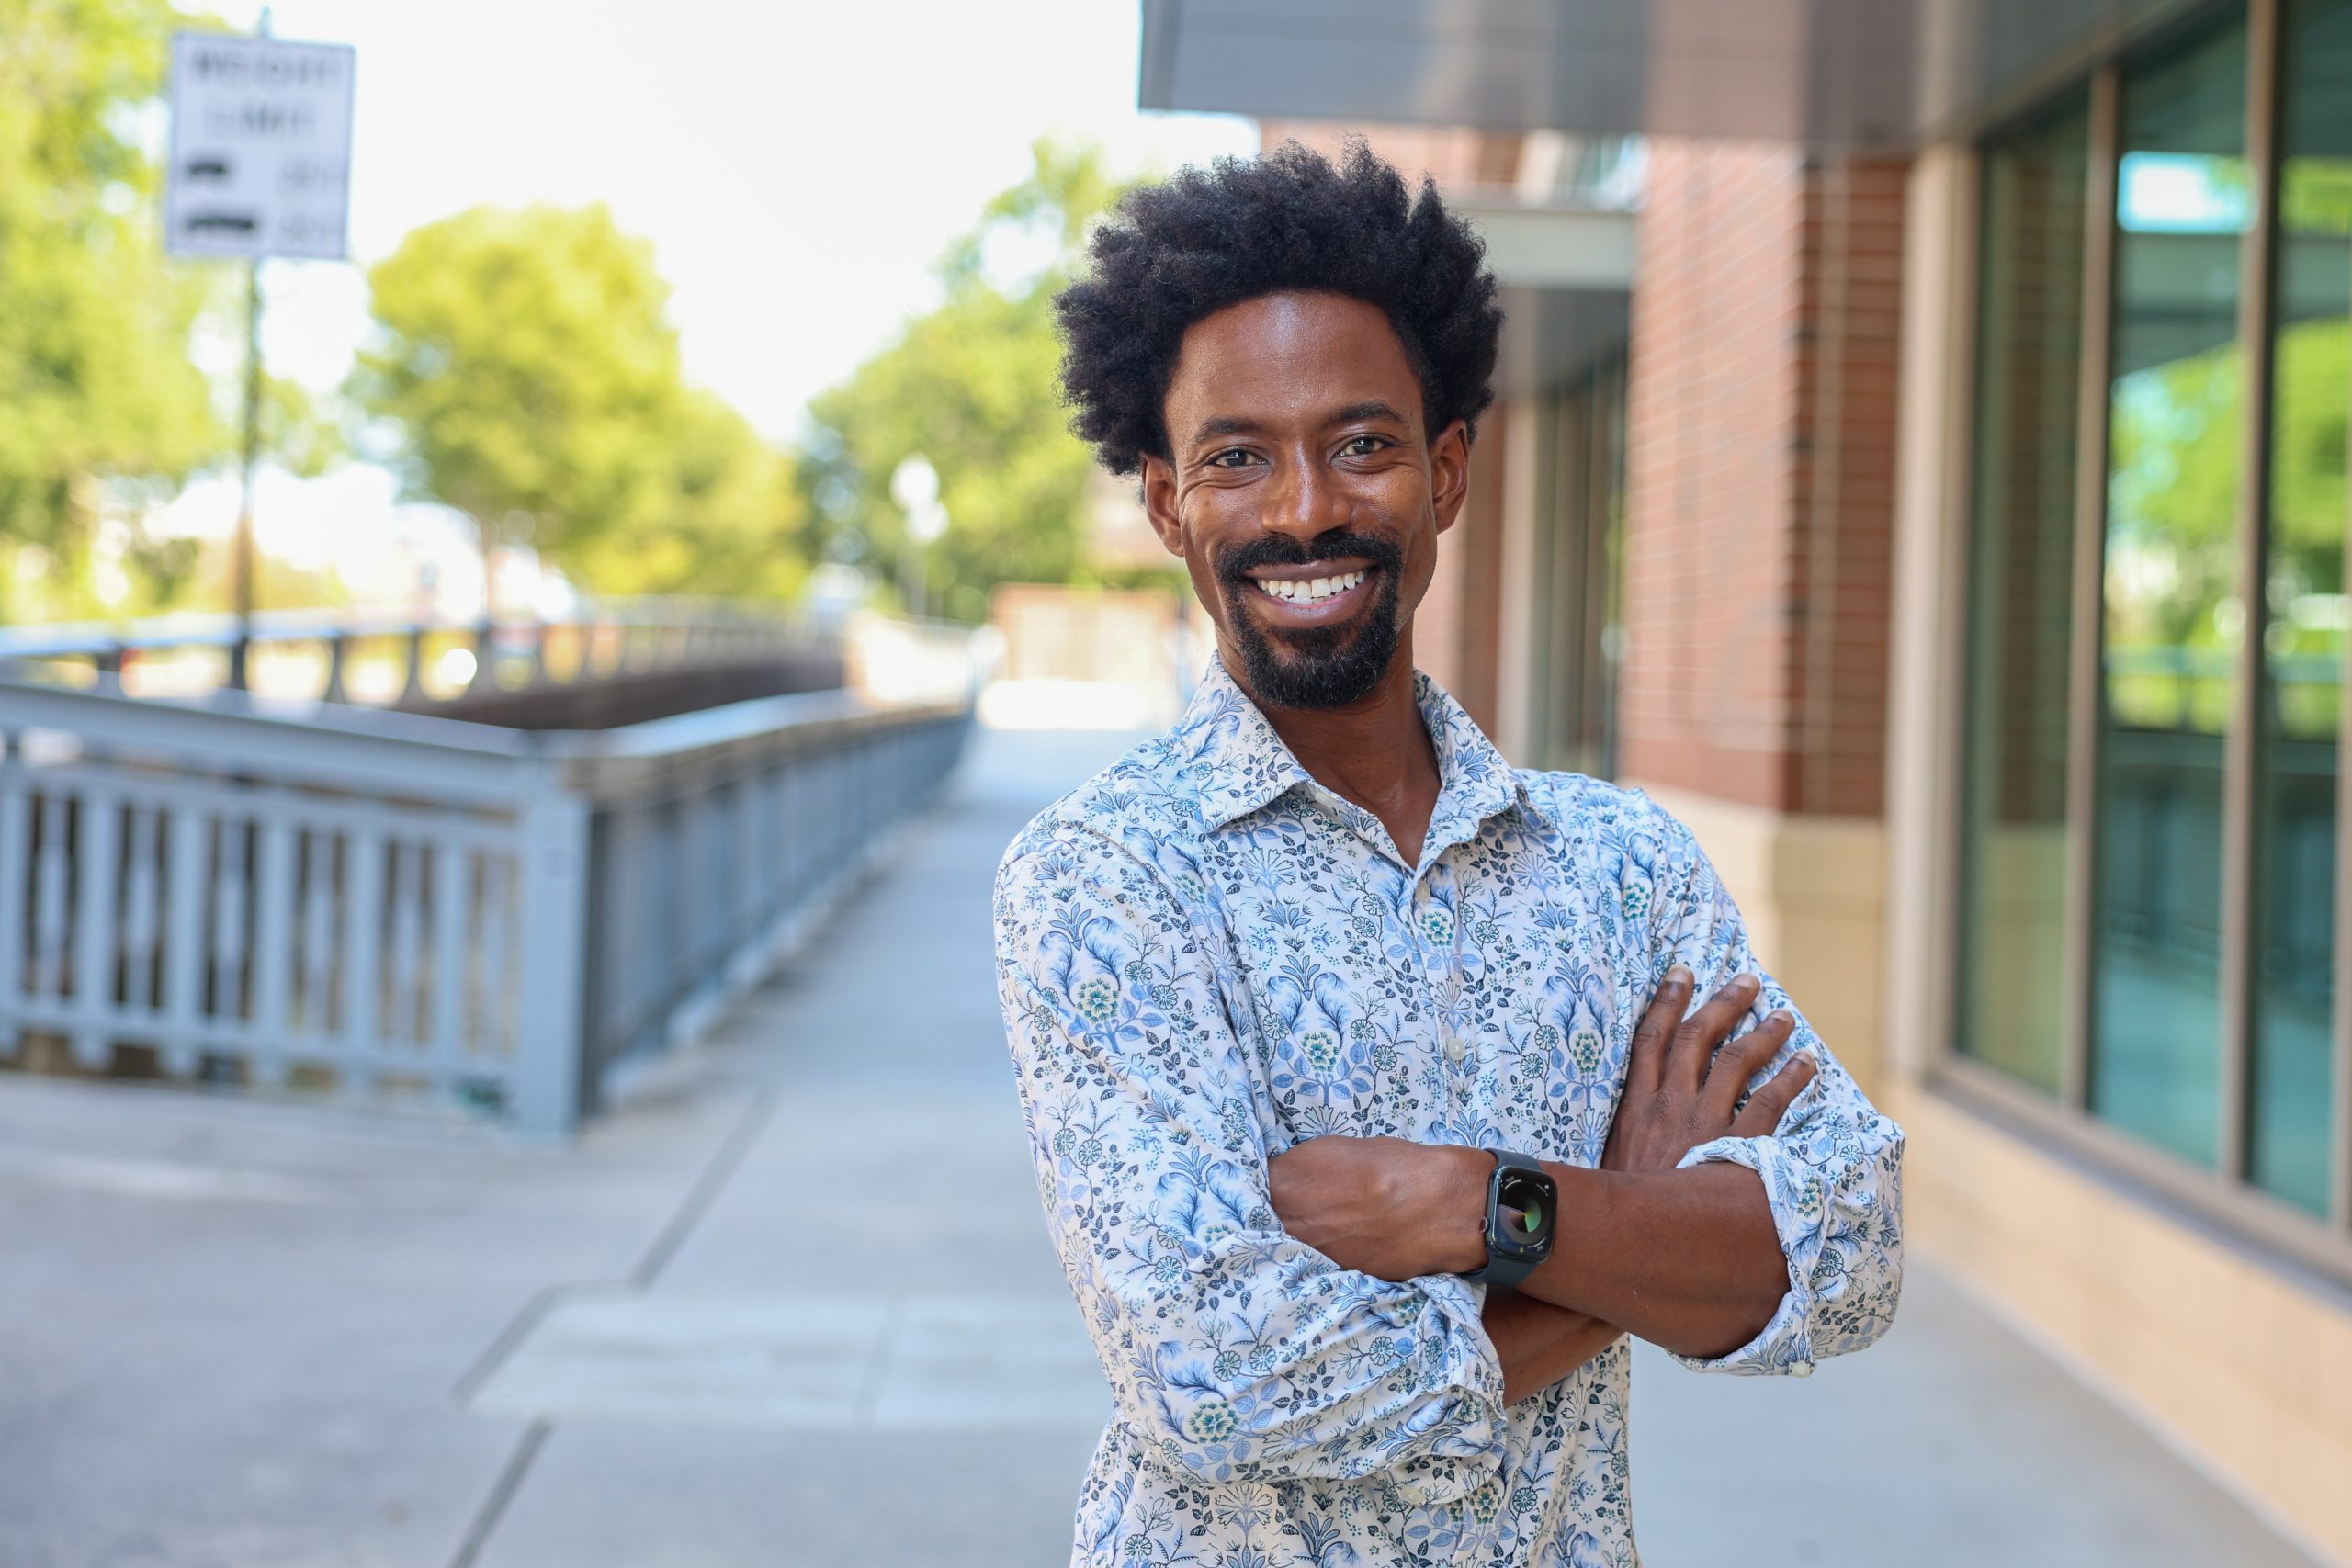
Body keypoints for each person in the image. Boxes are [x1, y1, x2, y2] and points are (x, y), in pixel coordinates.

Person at [992, 140, 1904, 1568]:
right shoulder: (1104, 879)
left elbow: (1843, 1250)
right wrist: (1621, 1236)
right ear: (1168, 501)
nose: (1304, 509)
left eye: (1362, 442)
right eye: (1239, 457)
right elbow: (1218, 1384)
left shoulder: (1621, 867)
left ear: (1448, 470)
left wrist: (1470, 1203)